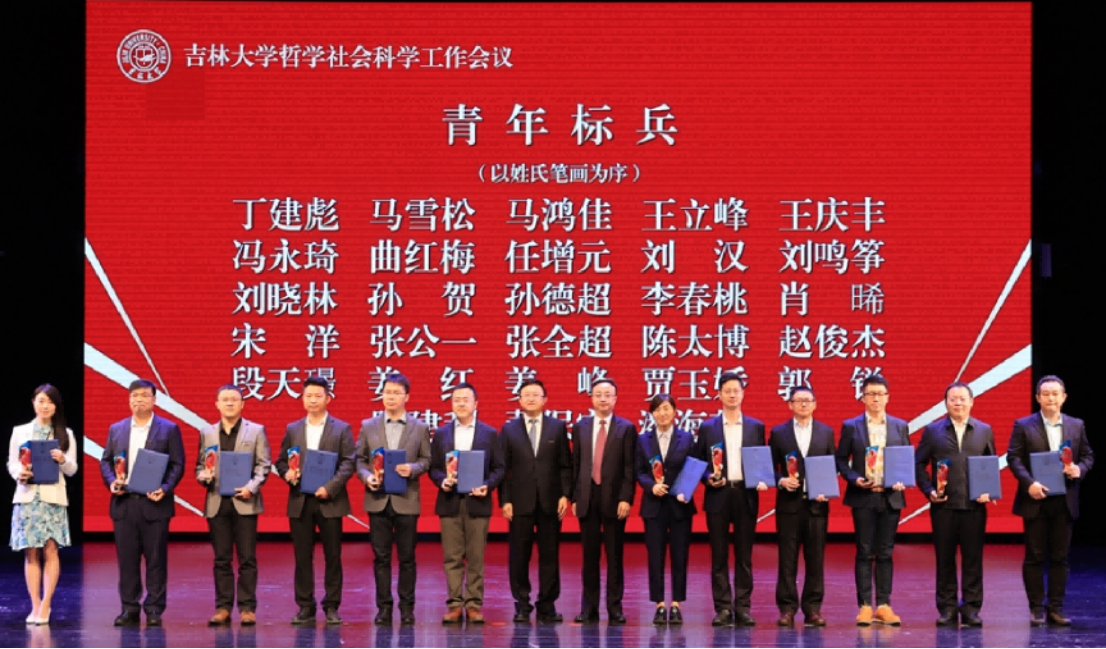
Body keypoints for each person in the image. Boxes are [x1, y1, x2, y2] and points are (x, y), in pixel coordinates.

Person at [1006, 375, 1094, 626]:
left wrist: (1079, 469)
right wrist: (1029, 483)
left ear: (1063, 397)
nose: (1051, 398)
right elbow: (1014, 458)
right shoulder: (1023, 425)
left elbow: (1088, 456)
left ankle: (1055, 607)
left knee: (1060, 557)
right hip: (1036, 499)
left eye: (1055, 394)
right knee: (1034, 556)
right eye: (1046, 394)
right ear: (1038, 398)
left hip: (1065, 500)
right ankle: (1036, 608)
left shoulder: (1076, 425)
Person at [99, 378, 185, 627]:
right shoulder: (117, 429)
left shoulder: (168, 429)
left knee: (156, 560)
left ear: (154, 400)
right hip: (124, 503)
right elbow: (106, 461)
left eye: (144, 395)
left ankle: (154, 608)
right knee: (127, 561)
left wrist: (165, 488)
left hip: (154, 504)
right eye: (134, 396)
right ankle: (129, 608)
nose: (138, 400)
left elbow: (177, 464)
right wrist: (111, 482)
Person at [274, 375, 355, 626]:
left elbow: (348, 462)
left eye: (317, 396)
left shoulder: (341, 429)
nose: (312, 400)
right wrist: (287, 473)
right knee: (302, 557)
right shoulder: (293, 429)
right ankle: (305, 606)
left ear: (328, 398)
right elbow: (281, 461)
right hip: (300, 500)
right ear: (302, 398)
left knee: (333, 557)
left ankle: (332, 606)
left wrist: (329, 488)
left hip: (330, 500)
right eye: (308, 395)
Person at [915, 381, 996, 627]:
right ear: (946, 403)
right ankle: (947, 608)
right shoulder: (933, 431)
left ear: (972, 402)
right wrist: (929, 490)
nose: (958, 403)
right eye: (953, 399)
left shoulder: (984, 430)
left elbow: (989, 464)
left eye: (962, 398)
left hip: (974, 506)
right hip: (944, 506)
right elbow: (918, 464)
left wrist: (988, 491)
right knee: (944, 559)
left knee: (973, 559)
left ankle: (971, 608)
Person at [356, 372, 431, 625]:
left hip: (406, 499)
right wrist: (367, 476)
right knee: (381, 558)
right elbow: (359, 460)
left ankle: (407, 608)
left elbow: (427, 460)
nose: (391, 397)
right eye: (387, 392)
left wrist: (413, 468)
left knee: (407, 558)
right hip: (377, 499)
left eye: (396, 393)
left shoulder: (419, 427)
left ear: (406, 397)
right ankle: (384, 608)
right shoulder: (369, 425)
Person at [694, 371, 767, 627]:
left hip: (745, 494)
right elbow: (699, 463)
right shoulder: (708, 427)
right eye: (727, 391)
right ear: (720, 394)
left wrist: (762, 478)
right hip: (718, 495)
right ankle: (723, 608)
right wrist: (708, 478)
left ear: (743, 393)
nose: (732, 395)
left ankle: (743, 607)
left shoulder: (755, 427)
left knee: (744, 556)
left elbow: (761, 460)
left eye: (736, 390)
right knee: (719, 555)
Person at [836, 374, 909, 627]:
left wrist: (901, 479)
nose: (876, 398)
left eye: (880, 394)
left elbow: (905, 459)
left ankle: (884, 605)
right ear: (863, 398)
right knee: (864, 551)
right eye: (870, 394)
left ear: (887, 397)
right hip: (863, 496)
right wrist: (855, 479)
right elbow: (840, 460)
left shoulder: (900, 426)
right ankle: (865, 605)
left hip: (890, 497)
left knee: (886, 552)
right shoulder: (851, 426)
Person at [195, 384, 271, 626]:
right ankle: (223, 607)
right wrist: (202, 476)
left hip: (245, 501)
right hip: (217, 502)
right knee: (221, 559)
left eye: (234, 399)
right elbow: (200, 466)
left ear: (242, 404)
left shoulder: (256, 431)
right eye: (225, 399)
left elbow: (263, 465)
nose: (229, 403)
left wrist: (251, 487)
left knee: (247, 558)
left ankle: (247, 608)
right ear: (217, 404)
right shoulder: (207, 432)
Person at [429, 383, 505, 624]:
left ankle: (473, 604)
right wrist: (441, 481)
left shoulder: (489, 433)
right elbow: (433, 468)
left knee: (475, 557)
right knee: (452, 557)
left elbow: (499, 468)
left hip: (477, 502)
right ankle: (454, 604)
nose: (461, 403)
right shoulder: (441, 434)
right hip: (449, 501)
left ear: (476, 404)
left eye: (466, 399)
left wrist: (487, 485)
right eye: (456, 399)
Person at [498, 378, 573, 624]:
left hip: (550, 501)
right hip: (519, 503)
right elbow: (503, 468)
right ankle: (522, 604)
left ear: (545, 400)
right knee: (519, 556)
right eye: (526, 395)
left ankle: (547, 605)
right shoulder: (509, 429)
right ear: (519, 400)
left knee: (550, 555)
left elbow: (565, 464)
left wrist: (565, 495)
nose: (530, 398)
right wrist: (505, 500)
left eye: (535, 394)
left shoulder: (557, 427)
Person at [8, 384, 78, 625]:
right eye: (40, 400)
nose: (45, 405)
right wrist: (19, 474)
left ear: (56, 406)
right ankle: (35, 605)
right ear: (33, 403)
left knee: (50, 551)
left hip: (52, 499)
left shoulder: (65, 434)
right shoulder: (20, 431)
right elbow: (12, 463)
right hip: (28, 497)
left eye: (49, 401)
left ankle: (46, 603)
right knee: (31, 553)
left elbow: (72, 469)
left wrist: (63, 459)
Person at [572, 378, 637, 625]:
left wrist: (626, 498)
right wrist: (574, 496)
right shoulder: (580, 427)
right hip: (587, 498)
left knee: (614, 557)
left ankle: (615, 608)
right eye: (598, 394)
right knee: (589, 557)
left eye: (607, 395)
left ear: (615, 399)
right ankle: (588, 608)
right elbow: (576, 465)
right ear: (591, 398)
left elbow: (630, 467)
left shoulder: (626, 428)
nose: (602, 399)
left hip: (614, 499)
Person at [769, 386, 835, 628]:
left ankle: (813, 609)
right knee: (787, 559)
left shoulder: (826, 432)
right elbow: (769, 467)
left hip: (817, 506)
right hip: (788, 505)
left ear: (815, 404)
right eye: (798, 400)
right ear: (790, 405)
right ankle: (787, 609)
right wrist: (781, 481)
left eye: (808, 400)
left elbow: (831, 465)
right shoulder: (779, 433)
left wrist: (826, 488)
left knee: (815, 559)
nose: (804, 404)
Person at [635, 393, 696, 626]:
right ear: (652, 414)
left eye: (666, 408)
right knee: (655, 557)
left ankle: (677, 604)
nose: (662, 413)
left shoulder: (686, 438)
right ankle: (659, 604)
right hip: (654, 506)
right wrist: (651, 486)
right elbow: (639, 471)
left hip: (680, 505)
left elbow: (693, 468)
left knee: (680, 556)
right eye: (658, 409)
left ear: (674, 412)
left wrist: (685, 490)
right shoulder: (643, 440)